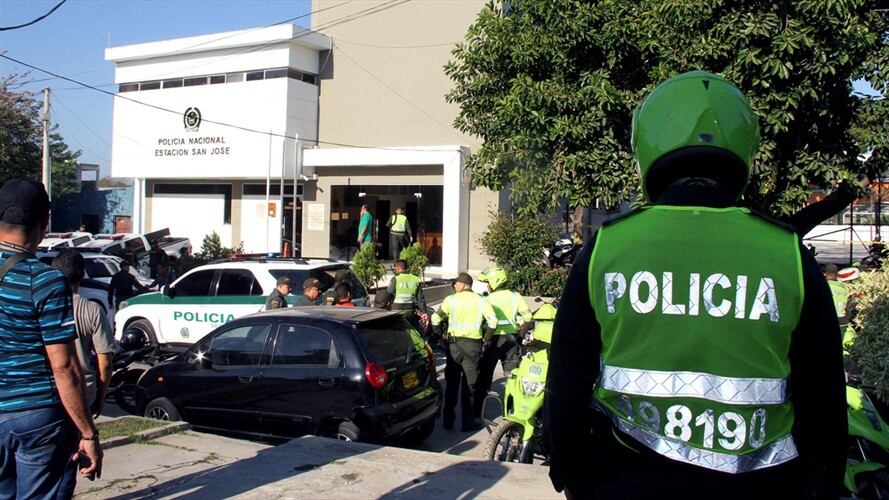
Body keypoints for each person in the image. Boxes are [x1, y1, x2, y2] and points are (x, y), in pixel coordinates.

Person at [545, 71, 846, 499]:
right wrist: (825, 478)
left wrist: (569, 469)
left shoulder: (606, 248)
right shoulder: (787, 253)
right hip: (763, 482)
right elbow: (824, 390)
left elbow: (567, 376)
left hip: (626, 476)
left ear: (647, 144)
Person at [0, 179, 102, 497]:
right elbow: (64, 367)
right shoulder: (45, 280)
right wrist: (88, 433)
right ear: (45, 222)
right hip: (38, 417)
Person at [52, 249, 115, 417]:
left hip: (51, 390)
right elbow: (105, 364)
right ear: (82, 276)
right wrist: (100, 398)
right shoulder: (93, 310)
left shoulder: (44, 307)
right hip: (84, 392)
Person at [431, 272, 497, 432]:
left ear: (464, 285)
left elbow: (435, 319)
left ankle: (448, 419)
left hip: (454, 347)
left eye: (456, 283)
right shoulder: (481, 301)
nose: (454, 286)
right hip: (472, 348)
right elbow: (493, 322)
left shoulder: (451, 300)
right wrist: (486, 339)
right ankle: (467, 423)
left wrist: (440, 336)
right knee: (469, 386)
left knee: (452, 384)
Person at [475, 267, 531, 416]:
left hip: (493, 340)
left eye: (488, 282)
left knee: (484, 376)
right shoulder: (515, 296)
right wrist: (521, 333)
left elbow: (482, 320)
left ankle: (478, 412)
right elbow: (528, 317)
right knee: (512, 377)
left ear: (495, 281)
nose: (487, 285)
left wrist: (485, 338)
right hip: (511, 340)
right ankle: (512, 412)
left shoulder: (487, 298)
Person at [387, 259, 428, 331]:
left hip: (397, 311)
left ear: (398, 268)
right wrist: (424, 312)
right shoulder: (415, 279)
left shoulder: (395, 279)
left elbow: (388, 295)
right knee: (411, 331)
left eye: (395, 268)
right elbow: (420, 299)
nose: (395, 270)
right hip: (410, 312)